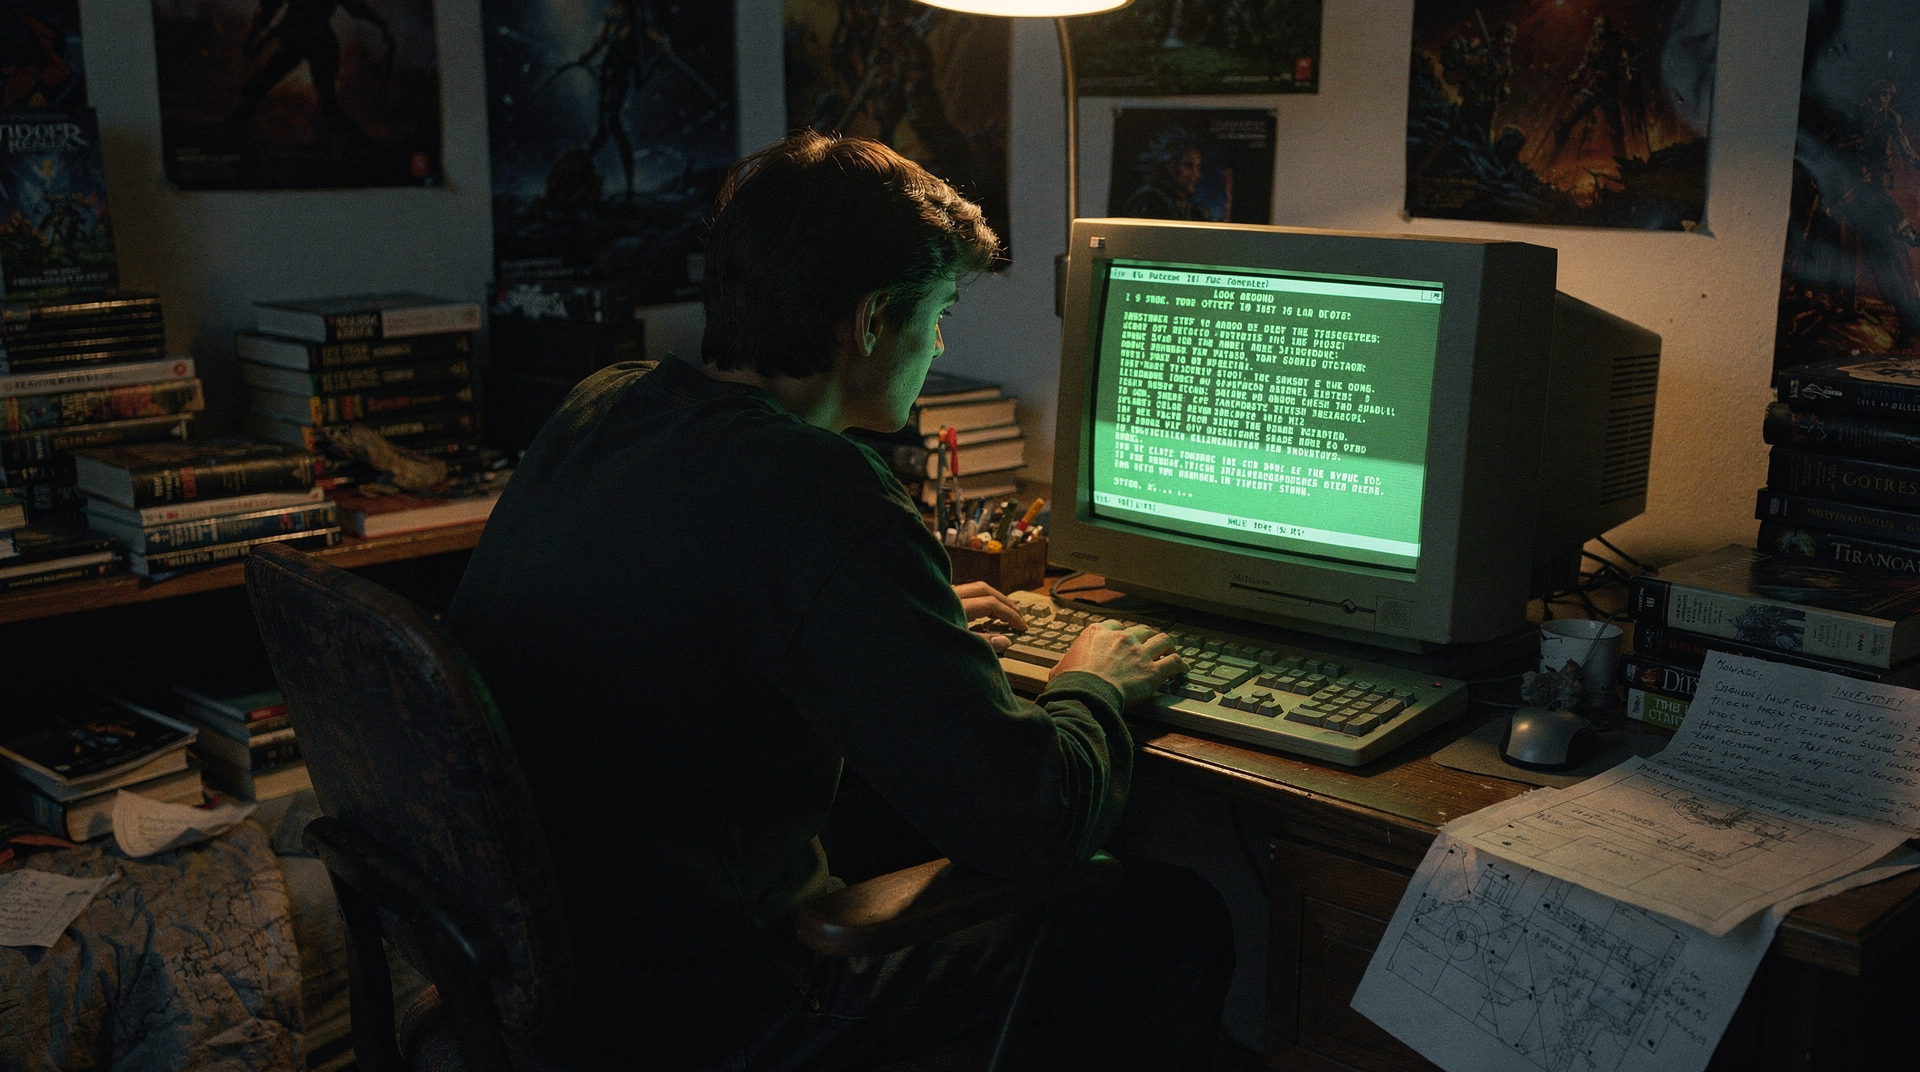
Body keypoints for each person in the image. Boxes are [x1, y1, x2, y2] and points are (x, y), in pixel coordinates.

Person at [446, 131, 1234, 1070]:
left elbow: (709, 617)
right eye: (936, 314)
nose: (940, 343)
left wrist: (894, 627)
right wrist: (1093, 684)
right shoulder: (819, 488)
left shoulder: (605, 403)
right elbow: (1032, 822)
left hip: (555, 972)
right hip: (707, 1013)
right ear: (867, 324)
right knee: (1171, 919)